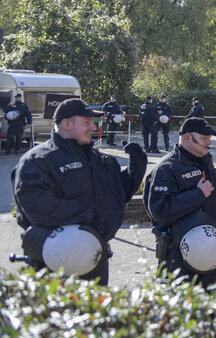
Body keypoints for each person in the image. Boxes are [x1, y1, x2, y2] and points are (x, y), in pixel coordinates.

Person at [12, 98, 147, 285]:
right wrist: (91, 216)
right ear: (66, 124)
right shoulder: (38, 160)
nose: (93, 127)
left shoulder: (100, 160)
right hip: (55, 262)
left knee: (95, 314)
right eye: (87, 122)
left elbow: (117, 196)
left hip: (95, 259)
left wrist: (137, 167)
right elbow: (38, 209)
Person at [143, 117, 216, 286]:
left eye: (209, 139)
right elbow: (159, 210)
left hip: (208, 257)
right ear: (188, 137)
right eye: (205, 138)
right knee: (179, 311)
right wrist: (197, 194)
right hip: (178, 260)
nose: (209, 143)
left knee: (208, 310)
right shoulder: (167, 169)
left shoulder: (208, 166)